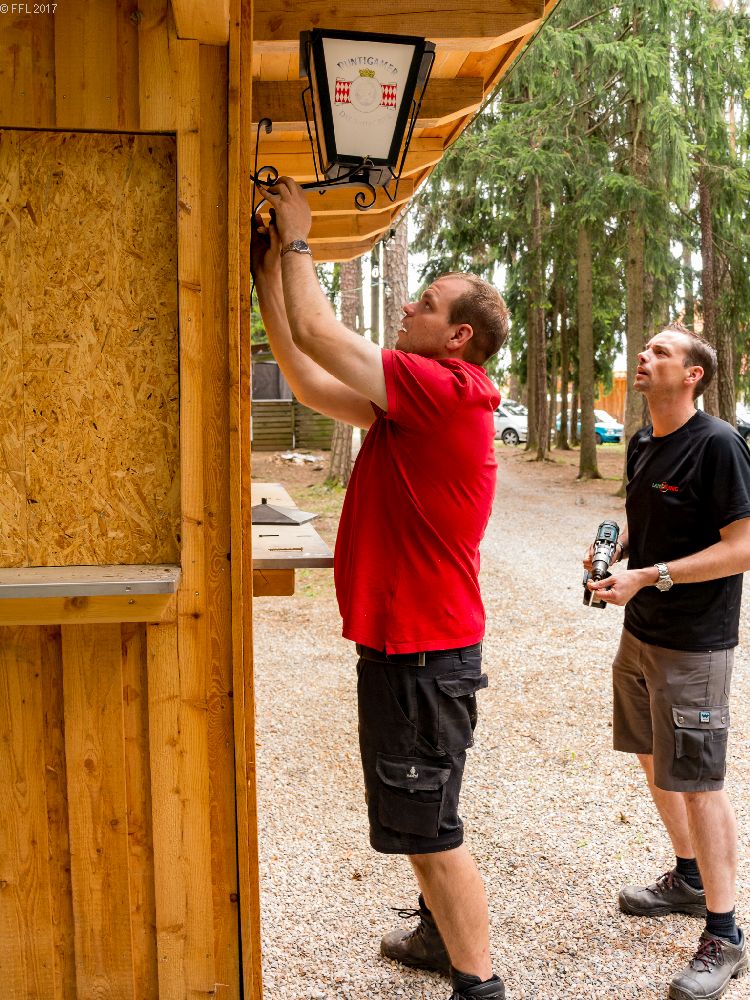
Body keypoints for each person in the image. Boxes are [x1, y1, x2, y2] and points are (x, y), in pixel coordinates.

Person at [251, 176, 509, 1000]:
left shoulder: (443, 392)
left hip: (425, 657)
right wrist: (267, 273)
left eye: (425, 304)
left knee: (433, 832)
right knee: (418, 817)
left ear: (458, 337)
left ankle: (481, 986)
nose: (407, 307)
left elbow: (320, 332)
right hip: (418, 652)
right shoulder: (412, 407)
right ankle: (439, 939)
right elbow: (305, 376)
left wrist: (298, 235)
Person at [585, 323, 750, 1000]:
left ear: (693, 375)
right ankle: (688, 877)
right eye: (644, 348)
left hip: (695, 642)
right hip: (641, 633)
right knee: (653, 756)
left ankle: (726, 934)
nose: (643, 356)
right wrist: (616, 550)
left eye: (660, 352)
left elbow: (743, 547)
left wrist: (650, 576)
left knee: (700, 781)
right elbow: (642, 515)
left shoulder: (719, 444)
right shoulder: (643, 440)